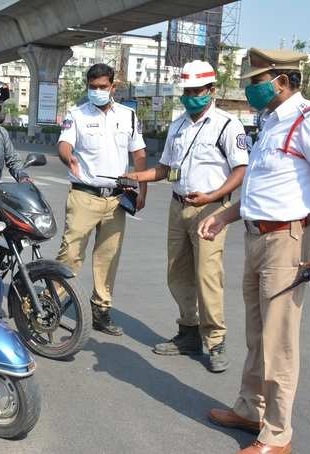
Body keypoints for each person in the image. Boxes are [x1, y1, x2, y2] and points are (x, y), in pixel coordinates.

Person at [199, 48, 310, 454]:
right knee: (257, 333)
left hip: (285, 242)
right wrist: (225, 216)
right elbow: (262, 189)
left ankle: (277, 433)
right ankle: (252, 409)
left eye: (256, 82)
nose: (250, 89)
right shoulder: (271, 123)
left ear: (281, 81)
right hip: (256, 237)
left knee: (279, 339)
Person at [123, 60, 248, 372]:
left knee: (207, 276)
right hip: (178, 207)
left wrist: (214, 196)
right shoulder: (178, 126)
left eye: (198, 91)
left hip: (211, 209)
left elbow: (241, 170)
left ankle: (216, 341)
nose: (192, 96)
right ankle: (189, 332)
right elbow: (165, 169)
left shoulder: (227, 125)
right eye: (188, 91)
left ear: (211, 90)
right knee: (177, 274)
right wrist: (135, 176)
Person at [56, 63, 147, 336]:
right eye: (92, 87)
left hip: (116, 199)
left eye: (102, 87)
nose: (97, 91)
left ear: (113, 87)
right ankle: (55, 300)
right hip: (85, 195)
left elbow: (139, 152)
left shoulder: (129, 116)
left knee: (108, 256)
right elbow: (64, 143)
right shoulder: (77, 115)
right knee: (70, 253)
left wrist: (142, 186)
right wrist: (66, 156)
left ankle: (101, 309)